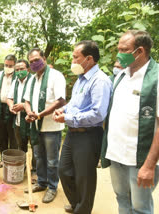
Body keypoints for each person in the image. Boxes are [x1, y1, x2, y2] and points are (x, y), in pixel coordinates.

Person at [101, 30, 159, 214]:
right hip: (117, 155)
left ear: (140, 51)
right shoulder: (121, 75)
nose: (119, 54)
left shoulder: (155, 79)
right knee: (123, 200)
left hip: (140, 159)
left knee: (140, 207)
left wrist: (149, 166)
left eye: (124, 49)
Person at [53, 40, 112, 213]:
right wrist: (62, 110)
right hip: (72, 134)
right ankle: (77, 203)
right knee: (64, 170)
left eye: (75, 57)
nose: (72, 61)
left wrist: (68, 118)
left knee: (84, 178)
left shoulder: (100, 81)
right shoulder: (81, 79)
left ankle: (82, 209)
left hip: (88, 134)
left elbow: (98, 114)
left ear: (89, 59)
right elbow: (75, 103)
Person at [23, 48, 66, 203]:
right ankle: (41, 182)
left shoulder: (56, 76)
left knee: (52, 160)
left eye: (36, 59)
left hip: (51, 127)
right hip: (36, 126)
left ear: (44, 58)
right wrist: (29, 113)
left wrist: (40, 114)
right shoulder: (32, 79)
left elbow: (60, 100)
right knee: (39, 157)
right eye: (31, 61)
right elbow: (26, 100)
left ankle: (52, 187)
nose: (34, 63)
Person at [6, 59, 36, 168]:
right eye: (17, 69)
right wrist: (11, 106)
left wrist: (23, 105)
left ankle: (34, 170)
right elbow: (9, 98)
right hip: (18, 120)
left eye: (22, 69)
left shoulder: (34, 80)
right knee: (21, 146)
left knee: (35, 147)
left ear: (28, 69)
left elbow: (37, 101)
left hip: (32, 121)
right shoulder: (15, 82)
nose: (19, 71)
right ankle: (22, 168)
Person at [0, 54, 18, 168]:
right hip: (0, 107)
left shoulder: (17, 76)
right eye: (6, 65)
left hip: (13, 107)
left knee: (13, 135)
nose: (8, 67)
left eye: (10, 65)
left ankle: (12, 159)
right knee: (1, 135)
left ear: (14, 65)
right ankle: (3, 159)